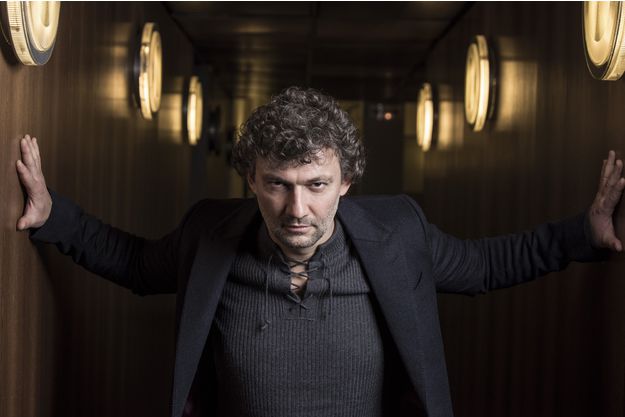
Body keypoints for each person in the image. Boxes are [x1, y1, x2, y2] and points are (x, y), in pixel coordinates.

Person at [15, 86, 625, 417]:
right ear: (251, 179)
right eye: (277, 184)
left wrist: (585, 232)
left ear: (346, 183)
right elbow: (136, 263)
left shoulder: (399, 234)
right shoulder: (209, 234)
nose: (296, 208)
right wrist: (52, 215)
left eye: (316, 185)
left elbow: (488, 265)